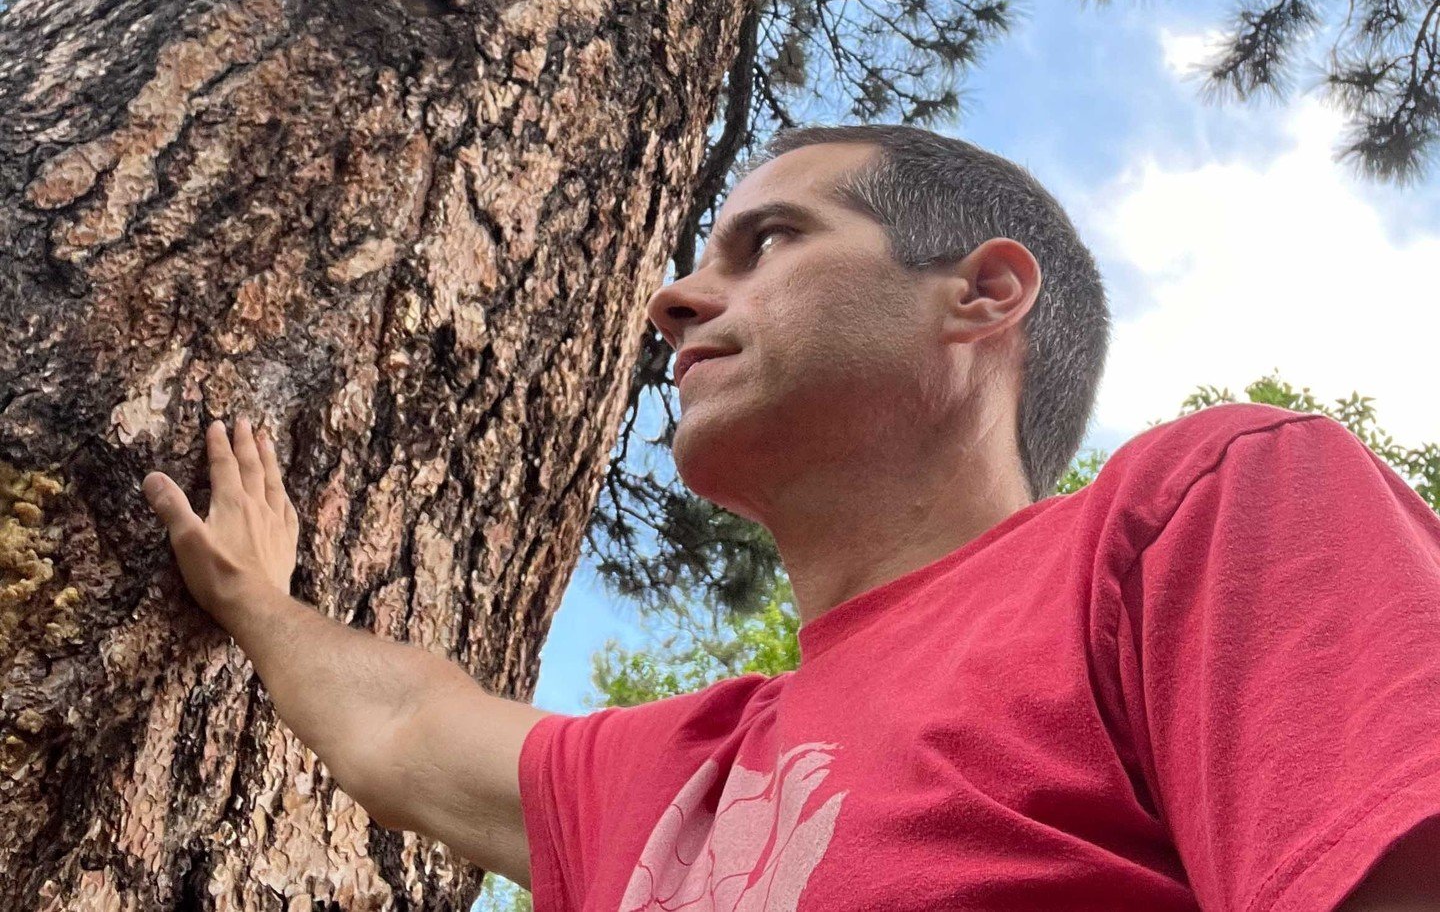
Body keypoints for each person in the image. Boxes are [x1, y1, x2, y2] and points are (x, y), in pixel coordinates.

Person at [143, 125, 1440, 909]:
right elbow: (405, 723)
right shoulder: (689, 773)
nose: (672, 300)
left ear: (982, 295)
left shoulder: (1202, 515)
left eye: (764, 243)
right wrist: (258, 600)